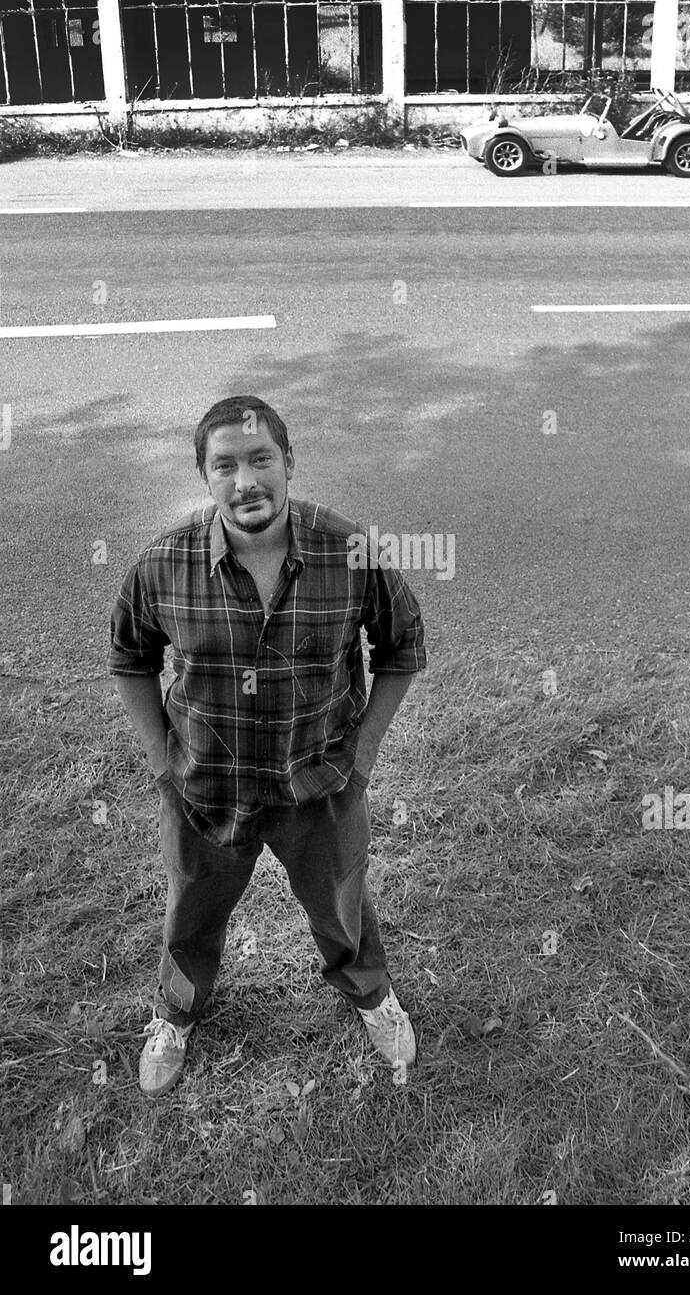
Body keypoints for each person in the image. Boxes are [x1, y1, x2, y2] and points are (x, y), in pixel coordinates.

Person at [108, 395, 426, 1097]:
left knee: (341, 901)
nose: (246, 480)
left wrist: (364, 754)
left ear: (289, 463)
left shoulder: (351, 553)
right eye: (226, 465)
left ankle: (370, 994)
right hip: (204, 786)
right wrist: (163, 761)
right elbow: (129, 656)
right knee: (191, 907)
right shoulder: (164, 565)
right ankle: (176, 1012)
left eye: (260, 459)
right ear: (205, 477)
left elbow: (402, 648)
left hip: (318, 784)